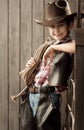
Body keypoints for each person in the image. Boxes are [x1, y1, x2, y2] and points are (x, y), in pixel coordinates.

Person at [19, 0, 77, 130]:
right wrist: (33, 65)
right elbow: (41, 69)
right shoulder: (47, 45)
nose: (56, 30)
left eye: (60, 25)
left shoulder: (66, 45)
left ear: (69, 25)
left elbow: (77, 47)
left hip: (48, 97)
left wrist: (52, 49)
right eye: (52, 27)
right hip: (31, 93)